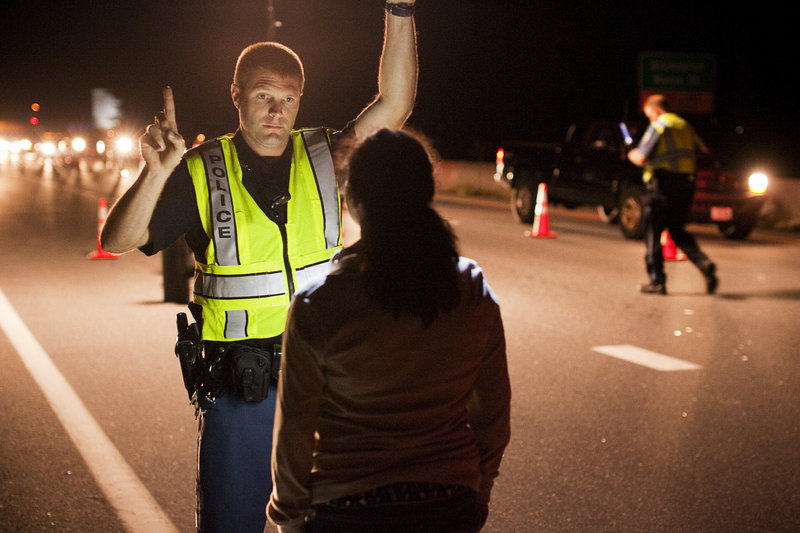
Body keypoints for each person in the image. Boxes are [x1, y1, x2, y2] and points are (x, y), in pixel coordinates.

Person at [100, 3, 418, 531]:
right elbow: (118, 240)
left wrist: (401, 9)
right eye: (263, 96)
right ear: (237, 96)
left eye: (288, 99)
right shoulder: (200, 170)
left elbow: (396, 101)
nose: (277, 111)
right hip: (239, 390)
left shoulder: (324, 153)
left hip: (326, 387)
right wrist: (156, 173)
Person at [267, 129, 512, 533]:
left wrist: (288, 516)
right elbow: (493, 414)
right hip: (449, 501)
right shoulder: (471, 288)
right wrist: (478, 487)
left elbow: (295, 427)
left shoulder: (319, 303)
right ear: (425, 193)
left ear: (353, 200)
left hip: (347, 506)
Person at [627, 94, 718, 295]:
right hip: (686, 184)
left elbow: (641, 157)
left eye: (649, 115)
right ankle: (703, 263)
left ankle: (657, 281)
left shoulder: (660, 125)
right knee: (677, 230)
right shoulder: (685, 126)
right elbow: (703, 151)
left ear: (656, 110)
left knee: (653, 231)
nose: (650, 119)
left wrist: (630, 153)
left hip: (662, 184)